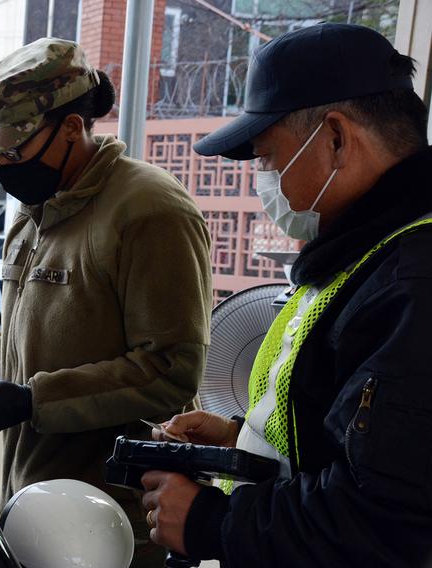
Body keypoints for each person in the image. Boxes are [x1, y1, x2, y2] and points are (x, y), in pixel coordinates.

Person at [139, 23, 432, 566]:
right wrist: (242, 444)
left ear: (337, 137)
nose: (266, 181)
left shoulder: (413, 285)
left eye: (270, 160)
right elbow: (354, 445)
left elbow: (388, 523)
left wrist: (213, 522)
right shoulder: (361, 255)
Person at [0, 38, 212, 566]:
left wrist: (34, 401)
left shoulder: (150, 211)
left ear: (72, 129)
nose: (6, 162)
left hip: (115, 527)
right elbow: (28, 339)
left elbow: (170, 368)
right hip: (35, 506)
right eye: (0, 149)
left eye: (16, 147)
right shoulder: (34, 214)